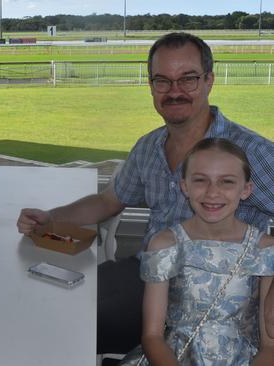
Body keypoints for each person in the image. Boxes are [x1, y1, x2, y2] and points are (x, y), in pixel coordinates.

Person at [17, 32, 274, 354]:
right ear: (151, 85)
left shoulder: (250, 151)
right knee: (44, 304)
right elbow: (108, 200)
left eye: (188, 79)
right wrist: (50, 218)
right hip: (147, 274)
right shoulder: (149, 146)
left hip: (216, 300)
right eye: (162, 81)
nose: (175, 91)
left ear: (209, 80)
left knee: (66, 326)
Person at [119, 138, 274, 365]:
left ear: (246, 190)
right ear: (185, 187)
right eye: (201, 180)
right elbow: (152, 336)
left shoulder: (265, 250)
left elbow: (269, 347)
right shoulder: (165, 244)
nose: (212, 193)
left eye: (227, 182)